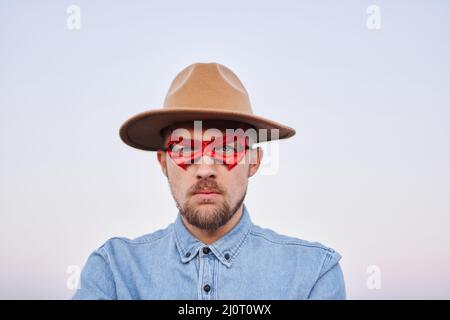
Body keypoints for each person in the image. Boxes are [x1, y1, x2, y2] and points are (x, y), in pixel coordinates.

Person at [72, 62, 346, 299]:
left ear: (254, 161)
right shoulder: (114, 271)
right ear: (163, 162)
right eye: (185, 149)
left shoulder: (313, 273)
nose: (205, 169)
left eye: (226, 148)